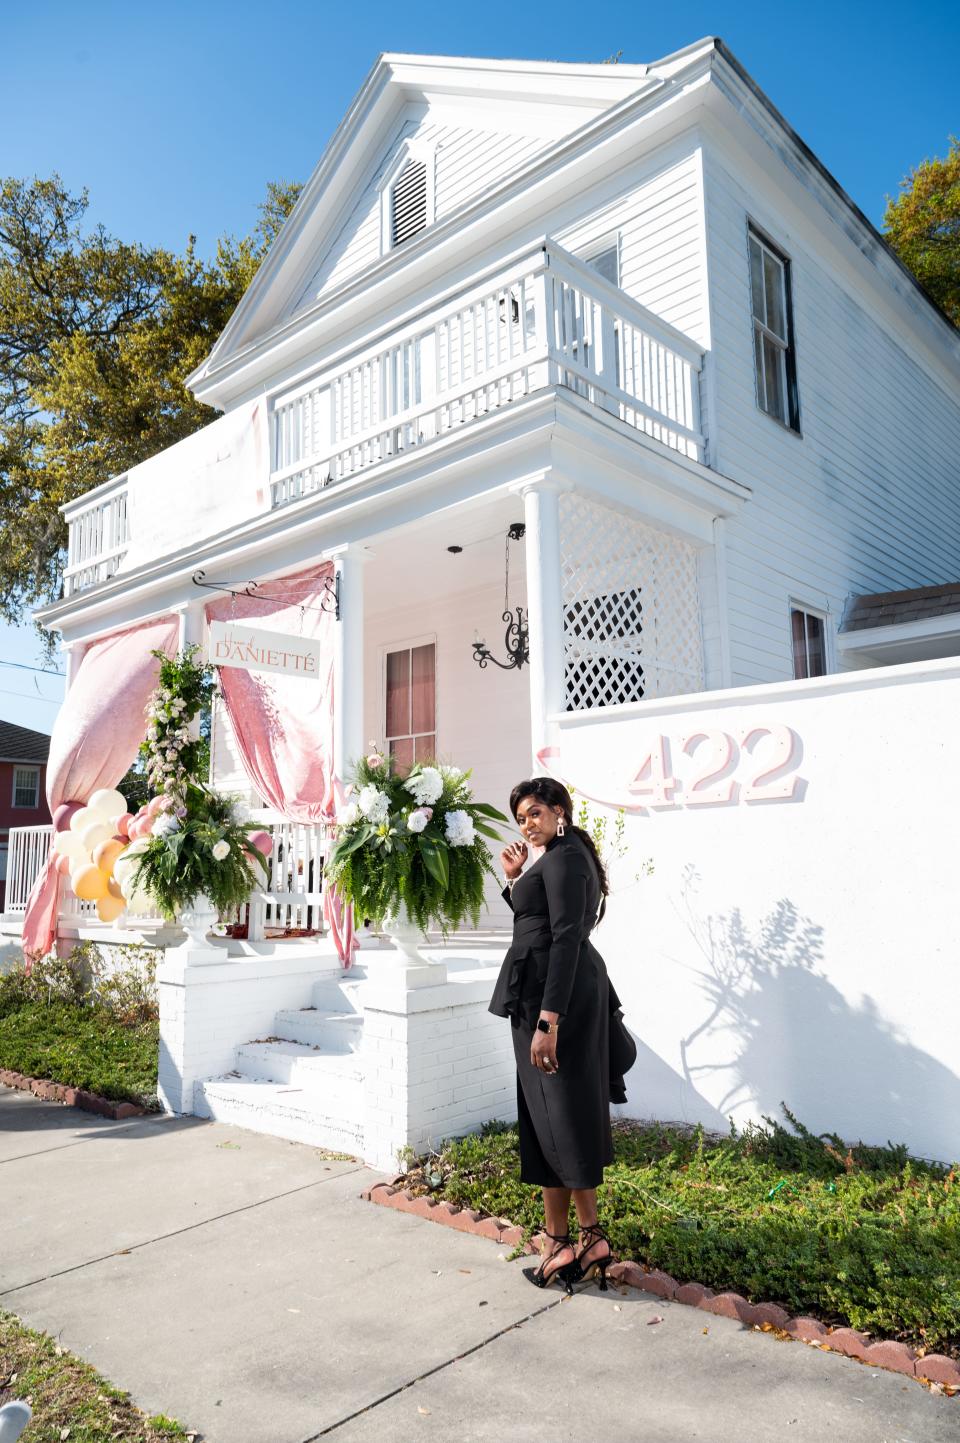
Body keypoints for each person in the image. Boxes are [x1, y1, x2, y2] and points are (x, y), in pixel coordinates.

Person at [488, 776, 626, 1294]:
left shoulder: (566, 858)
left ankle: (562, 1241)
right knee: (557, 1115)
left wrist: (549, 1020)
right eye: (521, 817)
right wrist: (515, 878)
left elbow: (566, 938)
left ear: (559, 811)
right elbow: (539, 920)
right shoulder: (560, 856)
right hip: (547, 992)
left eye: (535, 813)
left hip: (552, 998)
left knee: (556, 1118)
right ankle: (585, 1239)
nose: (527, 823)